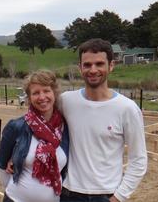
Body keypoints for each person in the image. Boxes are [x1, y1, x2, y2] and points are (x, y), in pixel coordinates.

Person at [60, 38, 147, 202]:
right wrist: (13, 155)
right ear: (80, 68)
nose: (93, 70)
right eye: (87, 65)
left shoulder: (126, 109)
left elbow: (139, 159)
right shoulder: (66, 101)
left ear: (111, 65)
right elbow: (36, 123)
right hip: (68, 193)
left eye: (99, 64)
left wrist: (118, 197)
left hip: (106, 195)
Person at [0, 70, 70, 202]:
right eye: (35, 93)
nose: (42, 97)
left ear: (54, 93)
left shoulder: (64, 128)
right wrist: (14, 191)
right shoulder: (17, 126)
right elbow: (1, 163)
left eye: (46, 91)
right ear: (29, 97)